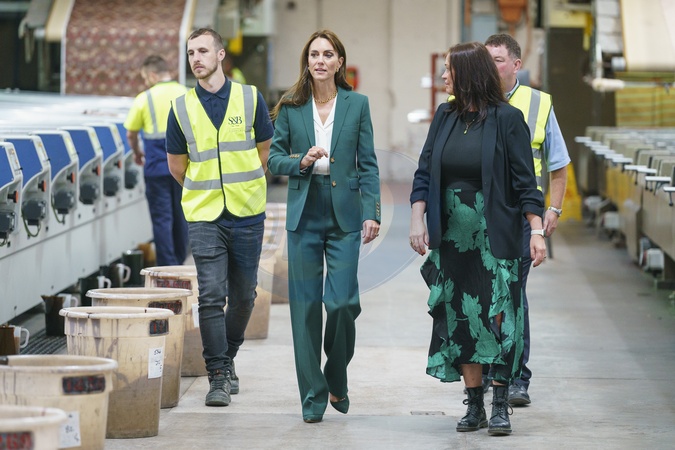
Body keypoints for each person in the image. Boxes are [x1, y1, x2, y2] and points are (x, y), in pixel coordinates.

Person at [409, 42, 546, 436]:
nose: (443, 77)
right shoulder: (445, 116)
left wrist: (537, 230)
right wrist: (417, 219)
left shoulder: (508, 119)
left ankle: (500, 403)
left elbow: (526, 183)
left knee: (499, 315)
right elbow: (424, 171)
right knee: (461, 316)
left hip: (495, 234)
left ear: (468, 74)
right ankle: (474, 404)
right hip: (453, 236)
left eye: (449, 70)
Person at [267, 29, 381, 424]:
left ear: (339, 62)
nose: (320, 60)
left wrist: (372, 211)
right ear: (307, 61)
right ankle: (313, 396)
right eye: (314, 54)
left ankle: (335, 373)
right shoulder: (291, 106)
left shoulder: (357, 104)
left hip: (345, 213)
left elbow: (368, 163)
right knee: (304, 310)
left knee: (343, 302)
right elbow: (274, 159)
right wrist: (300, 160)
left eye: (327, 54)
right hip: (305, 212)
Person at [165, 28, 274, 407]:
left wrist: (244, 184)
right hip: (204, 216)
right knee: (211, 296)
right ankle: (218, 375)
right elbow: (176, 166)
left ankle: (226, 359)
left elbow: (265, 150)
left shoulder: (250, 97)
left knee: (244, 297)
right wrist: (204, 189)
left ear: (221, 55)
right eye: (190, 53)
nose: (196, 58)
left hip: (247, 214)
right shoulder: (181, 107)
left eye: (203, 51)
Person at [485, 33, 571, 406]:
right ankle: (486, 370)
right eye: (486, 60)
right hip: (480, 215)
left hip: (522, 215)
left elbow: (558, 163)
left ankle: (517, 377)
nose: (491, 67)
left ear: (516, 65)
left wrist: (554, 209)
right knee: (483, 293)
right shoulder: (467, 100)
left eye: (498, 60)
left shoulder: (538, 104)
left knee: (513, 294)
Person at [124, 55, 189, 266]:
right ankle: (180, 261)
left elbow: (131, 134)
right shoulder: (187, 94)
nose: (146, 82)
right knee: (182, 215)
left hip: (156, 168)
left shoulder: (144, 98)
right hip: (184, 168)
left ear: (152, 75)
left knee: (162, 218)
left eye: (145, 78)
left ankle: (168, 267)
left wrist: (137, 152)